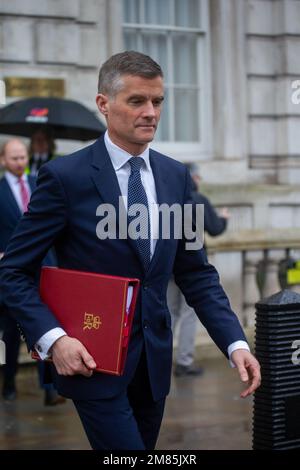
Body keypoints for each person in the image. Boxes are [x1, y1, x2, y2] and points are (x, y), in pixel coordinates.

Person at [0, 51, 260, 450]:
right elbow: (13, 271)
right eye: (137, 101)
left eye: (157, 101)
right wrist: (54, 340)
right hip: (91, 361)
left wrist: (235, 343)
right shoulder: (65, 178)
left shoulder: (177, 177)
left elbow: (195, 273)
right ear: (104, 104)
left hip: (154, 367)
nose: (151, 112)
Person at [0, 138, 65, 406]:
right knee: (12, 333)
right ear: (3, 160)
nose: (19, 162)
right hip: (11, 272)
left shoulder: (41, 183)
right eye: (14, 158)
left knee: (46, 325)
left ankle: (49, 388)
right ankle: (9, 381)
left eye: (23, 157)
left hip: (45, 267)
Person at [168, 163, 230, 377]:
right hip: (192, 266)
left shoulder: (168, 199)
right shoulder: (199, 200)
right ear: (193, 178)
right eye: (198, 177)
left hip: (167, 265)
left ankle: (160, 359)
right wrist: (224, 218)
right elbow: (215, 229)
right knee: (188, 314)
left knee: (169, 313)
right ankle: (184, 362)